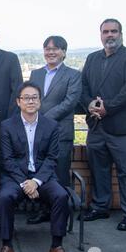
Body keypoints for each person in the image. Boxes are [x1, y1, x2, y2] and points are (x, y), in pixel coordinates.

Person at [0, 81, 74, 252]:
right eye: (26, 98)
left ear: (40, 101)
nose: (30, 101)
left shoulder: (51, 126)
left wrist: (36, 181)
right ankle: (6, 245)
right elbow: (7, 160)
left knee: (61, 195)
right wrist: (25, 182)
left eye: (34, 98)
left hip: (42, 177)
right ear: (18, 102)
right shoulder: (7, 126)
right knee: (5, 196)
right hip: (16, 177)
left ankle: (57, 246)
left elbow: (52, 158)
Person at [80, 18, 126, 231]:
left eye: (113, 31)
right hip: (97, 127)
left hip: (123, 127)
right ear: (100, 35)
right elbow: (84, 86)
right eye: (106, 31)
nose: (110, 35)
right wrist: (90, 104)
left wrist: (107, 107)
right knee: (99, 169)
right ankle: (100, 207)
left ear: (121, 33)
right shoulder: (92, 58)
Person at [28, 36, 82, 224]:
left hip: (61, 133)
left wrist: (44, 118)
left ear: (64, 52)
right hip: (38, 134)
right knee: (42, 173)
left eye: (55, 49)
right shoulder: (36, 74)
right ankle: (44, 210)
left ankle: (61, 216)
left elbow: (70, 103)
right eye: (47, 48)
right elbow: (29, 99)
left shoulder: (73, 75)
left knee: (59, 174)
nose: (51, 52)